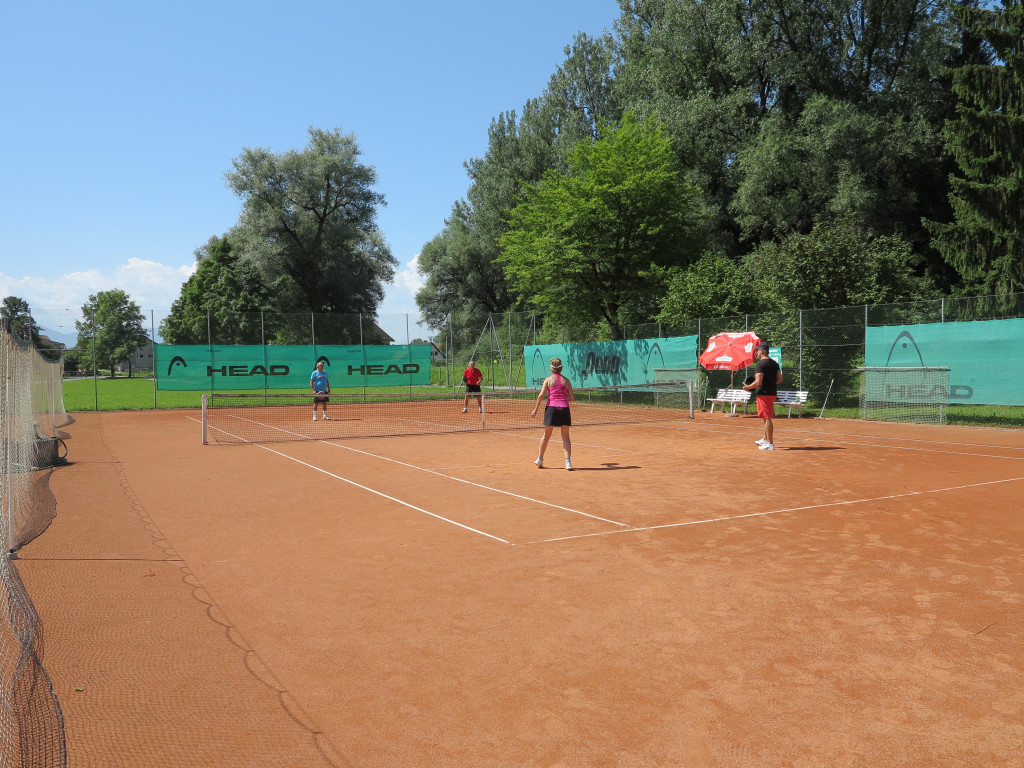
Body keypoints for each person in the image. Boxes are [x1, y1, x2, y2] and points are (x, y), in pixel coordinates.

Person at [530, 357, 574, 470]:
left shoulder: (548, 380)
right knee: (565, 437)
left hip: (551, 409)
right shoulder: (567, 381)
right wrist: (563, 399)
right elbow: (571, 397)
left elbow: (541, 395)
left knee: (546, 435)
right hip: (564, 409)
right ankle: (568, 463)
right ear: (561, 368)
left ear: (551, 368)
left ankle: (540, 459)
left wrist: (535, 409)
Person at [743, 343, 782, 450]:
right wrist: (770, 383)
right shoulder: (774, 363)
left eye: (758, 350)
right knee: (765, 417)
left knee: (767, 418)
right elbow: (780, 379)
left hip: (764, 394)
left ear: (763, 351)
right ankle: (765, 439)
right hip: (772, 393)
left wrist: (748, 387)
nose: (756, 352)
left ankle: (770, 444)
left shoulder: (760, 364)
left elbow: (758, 382)